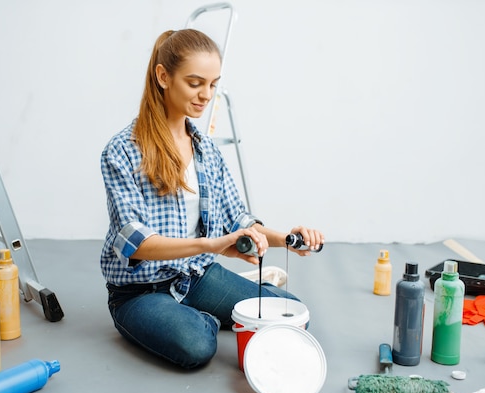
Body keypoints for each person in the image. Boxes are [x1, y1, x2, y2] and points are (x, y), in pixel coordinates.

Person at [100, 29, 324, 369]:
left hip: (196, 276)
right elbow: (137, 243)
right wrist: (211, 245)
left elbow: (239, 220)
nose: (206, 95)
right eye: (195, 83)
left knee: (291, 311)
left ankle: (195, 310)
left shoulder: (206, 150)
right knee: (196, 345)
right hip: (140, 293)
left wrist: (288, 240)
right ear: (163, 76)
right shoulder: (122, 151)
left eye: (213, 84)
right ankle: (188, 317)